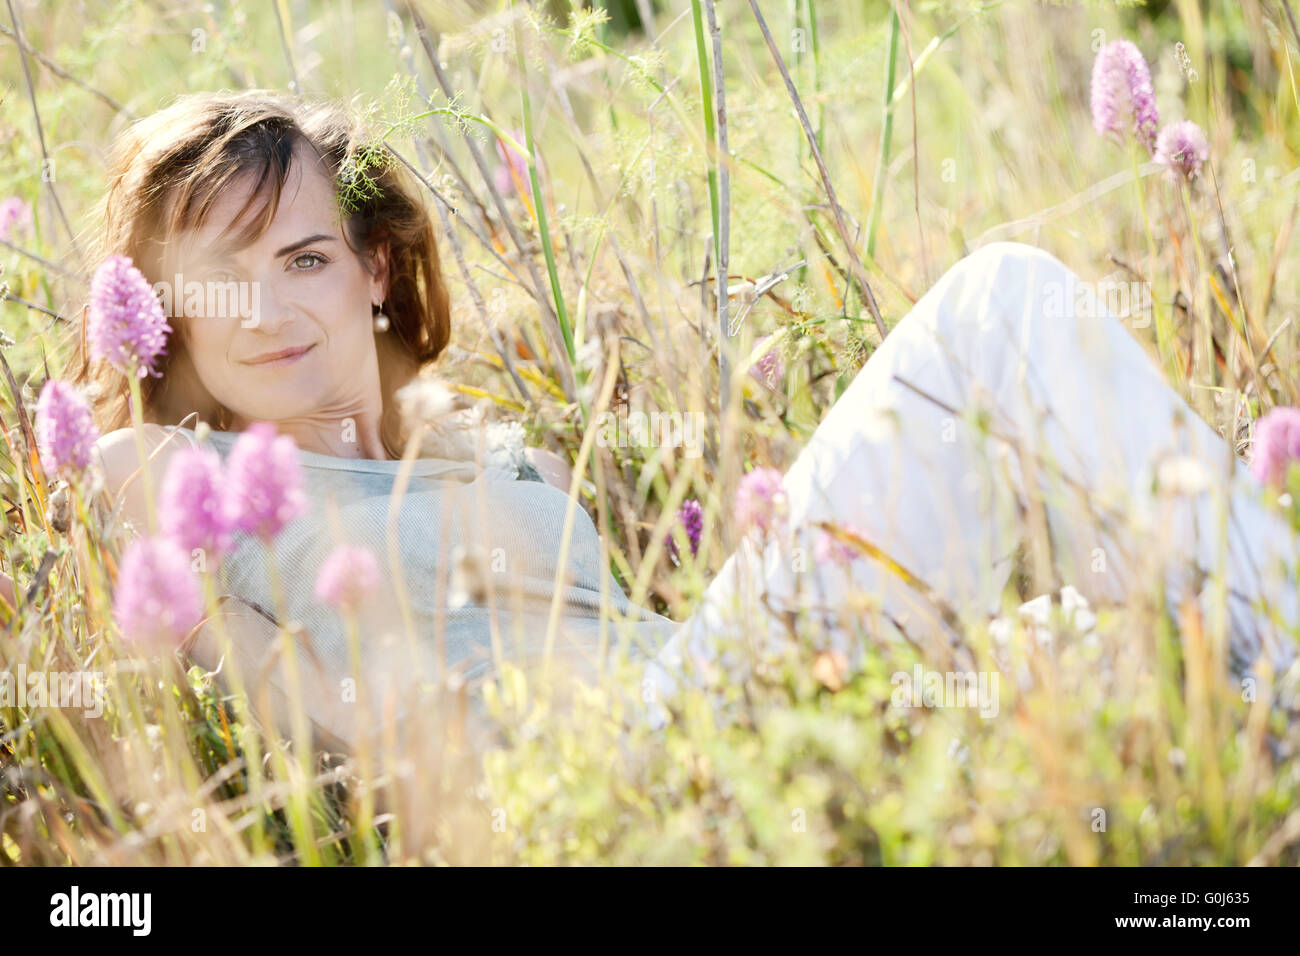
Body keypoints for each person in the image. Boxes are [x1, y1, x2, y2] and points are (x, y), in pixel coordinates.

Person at [71, 91, 1296, 746]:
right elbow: (314, 718)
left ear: (375, 269)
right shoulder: (159, 471)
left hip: (721, 689)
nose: (270, 311)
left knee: (1110, 629)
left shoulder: (492, 450)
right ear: (160, 306)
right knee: (1001, 298)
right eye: (219, 276)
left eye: (304, 260)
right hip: (626, 766)